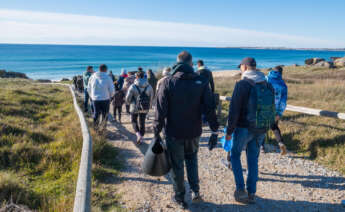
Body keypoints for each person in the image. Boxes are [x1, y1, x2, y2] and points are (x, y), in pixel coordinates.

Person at [154, 51, 219, 209]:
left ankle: (180, 197)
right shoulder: (202, 81)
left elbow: (160, 112)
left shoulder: (166, 82)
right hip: (194, 132)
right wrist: (214, 131)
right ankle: (196, 191)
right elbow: (209, 108)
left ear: (177, 63)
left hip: (174, 133)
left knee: (177, 165)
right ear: (191, 64)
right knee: (192, 160)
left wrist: (156, 133)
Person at [225, 57, 275, 204]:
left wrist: (229, 132)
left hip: (244, 128)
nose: (240, 69)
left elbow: (234, 111)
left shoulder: (242, 84)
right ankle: (251, 192)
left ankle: (240, 190)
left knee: (234, 155)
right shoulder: (267, 84)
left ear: (245, 67)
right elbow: (271, 108)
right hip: (261, 128)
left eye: (240, 67)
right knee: (253, 159)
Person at [126, 71, 154, 144]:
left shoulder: (133, 86)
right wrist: (149, 106)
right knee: (142, 122)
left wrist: (128, 104)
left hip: (134, 107)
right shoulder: (149, 86)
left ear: (136, 77)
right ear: (144, 76)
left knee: (133, 121)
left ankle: (138, 135)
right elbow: (151, 98)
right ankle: (141, 136)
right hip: (145, 107)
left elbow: (128, 98)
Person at [266, 66, 288, 155]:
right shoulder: (283, 84)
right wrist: (279, 113)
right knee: (274, 127)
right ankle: (281, 143)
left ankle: (263, 146)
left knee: (262, 127)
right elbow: (283, 101)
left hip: (265, 107)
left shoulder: (266, 79)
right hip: (275, 110)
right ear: (281, 73)